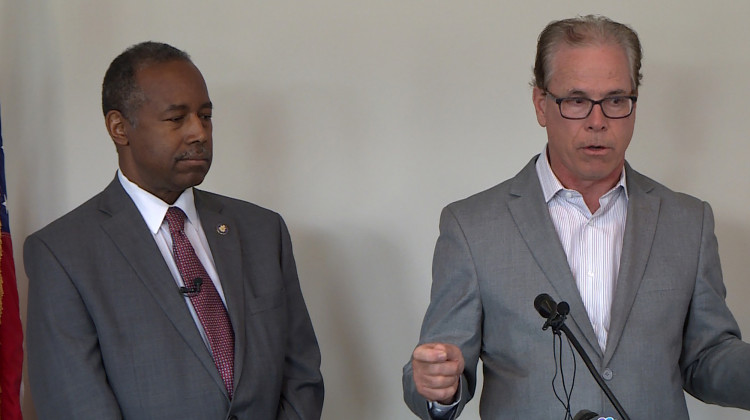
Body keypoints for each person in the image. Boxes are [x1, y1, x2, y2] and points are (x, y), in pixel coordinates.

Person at [403, 15, 750, 419]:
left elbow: (706, 357)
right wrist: (436, 388)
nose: (598, 120)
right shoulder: (471, 227)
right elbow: (442, 367)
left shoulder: (690, 221)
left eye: (616, 100)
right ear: (541, 105)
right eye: (577, 100)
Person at [25, 41, 324, 419]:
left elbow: (301, 376)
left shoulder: (264, 232)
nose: (198, 132)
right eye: (176, 118)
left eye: (206, 115)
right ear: (120, 128)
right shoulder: (63, 254)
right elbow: (76, 405)